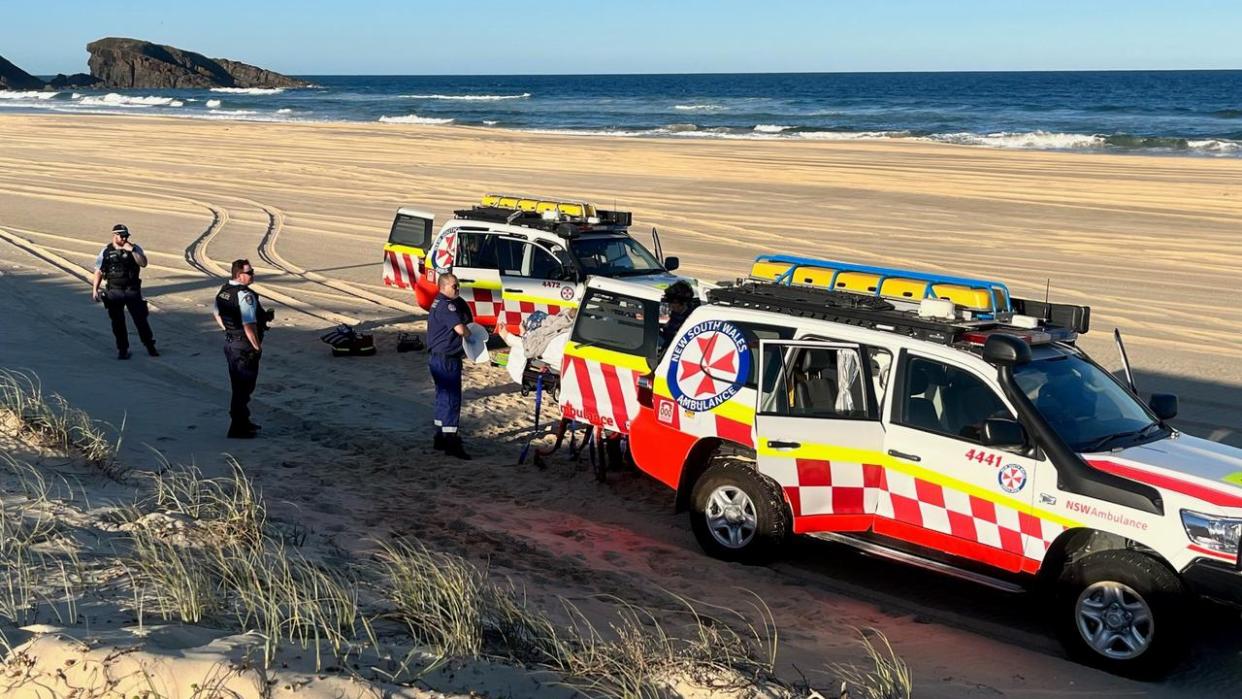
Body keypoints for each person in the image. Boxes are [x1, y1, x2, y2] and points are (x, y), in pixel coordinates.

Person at [213, 259, 271, 439]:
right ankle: (238, 427)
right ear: (239, 275)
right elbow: (249, 324)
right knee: (244, 388)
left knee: (238, 386)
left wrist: (229, 330)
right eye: (250, 272)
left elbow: (216, 313)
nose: (253, 275)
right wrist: (256, 346)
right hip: (244, 347)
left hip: (231, 343)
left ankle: (242, 422)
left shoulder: (224, 291)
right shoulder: (245, 296)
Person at [426, 273, 475, 460]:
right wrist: (473, 335)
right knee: (451, 399)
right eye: (454, 286)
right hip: (446, 359)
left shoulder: (438, 302)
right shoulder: (448, 306)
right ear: (443, 286)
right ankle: (451, 442)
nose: (457, 288)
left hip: (438, 357)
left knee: (442, 397)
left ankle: (440, 436)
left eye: (458, 285)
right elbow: (461, 329)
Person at [91, 224, 157, 359]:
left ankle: (150, 346)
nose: (124, 238)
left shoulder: (135, 248)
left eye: (126, 236)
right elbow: (98, 270)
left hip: (132, 291)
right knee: (118, 323)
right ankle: (122, 350)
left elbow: (143, 263)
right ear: (114, 236)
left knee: (141, 320)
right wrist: (95, 290)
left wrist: (132, 250)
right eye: (122, 236)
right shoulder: (105, 251)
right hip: (114, 292)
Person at [659, 280, 700, 351]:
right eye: (669, 301)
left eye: (674, 302)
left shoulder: (690, 318)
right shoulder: (675, 313)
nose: (670, 305)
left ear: (684, 302)